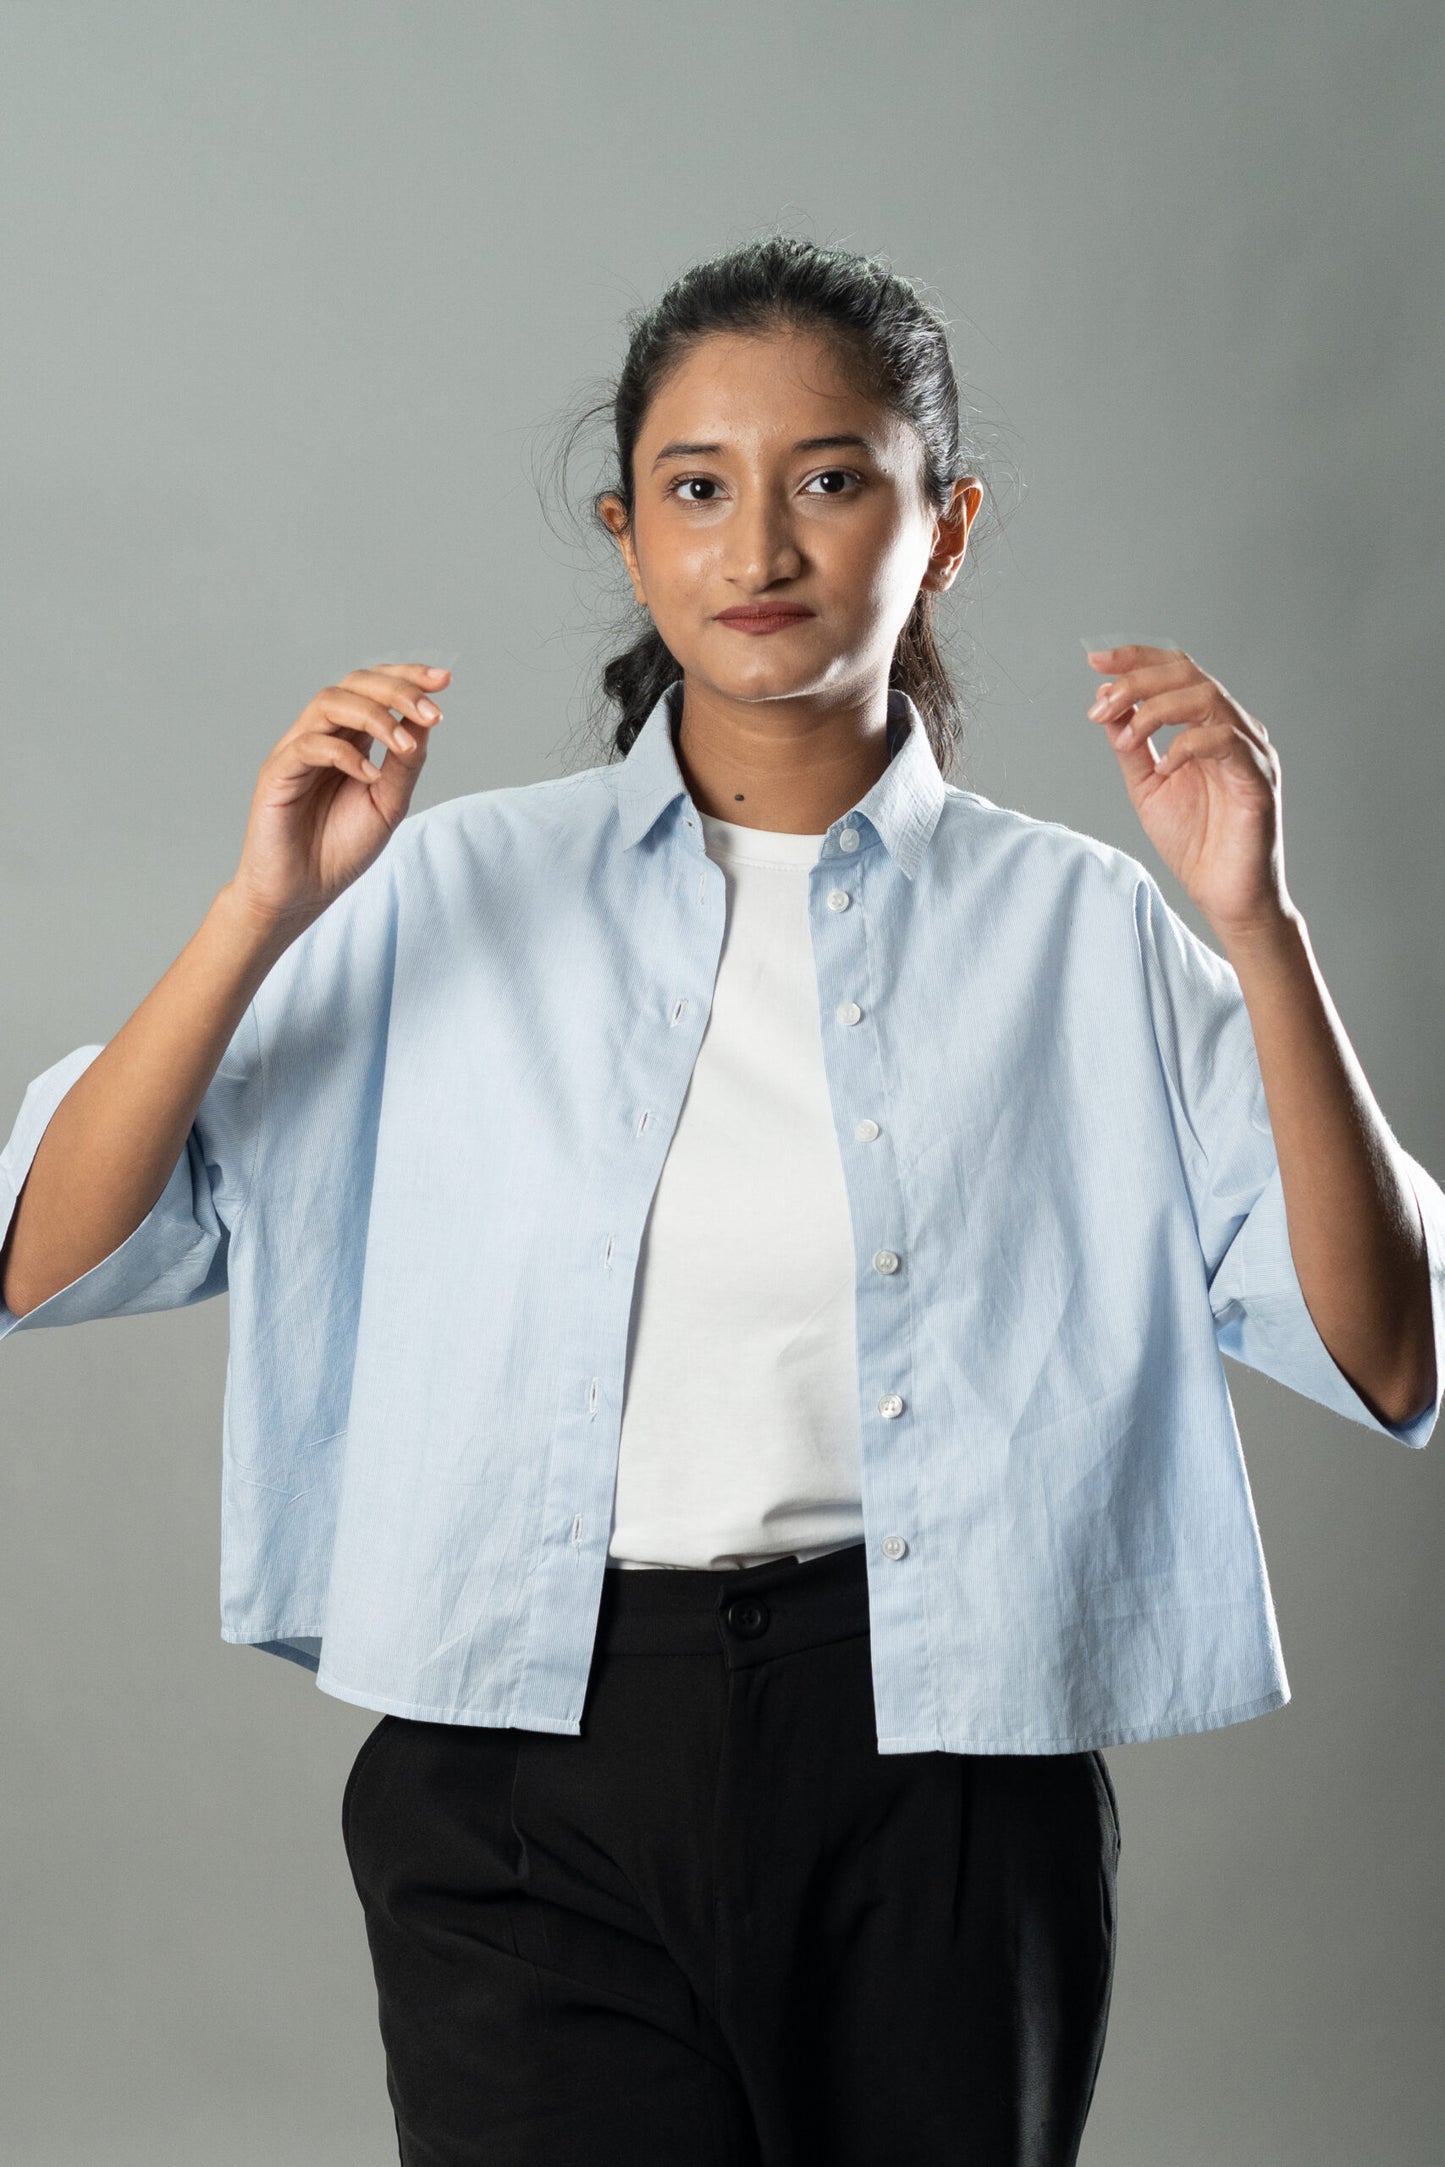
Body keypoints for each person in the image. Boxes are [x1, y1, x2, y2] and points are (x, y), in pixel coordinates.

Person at [1, 235, 1441, 2167]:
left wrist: (1257, 930)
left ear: (944, 525)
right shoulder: (443, 894)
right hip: (523, 1757)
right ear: (628, 532)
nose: (757, 543)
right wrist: (258, 908)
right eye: (695, 487)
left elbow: (1392, 1350)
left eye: (832, 477)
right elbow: (43, 1250)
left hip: (941, 1760)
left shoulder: (1086, 931)